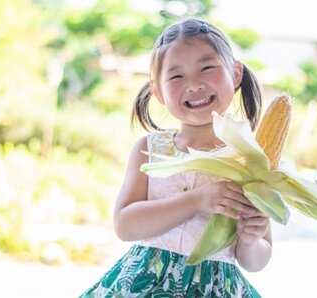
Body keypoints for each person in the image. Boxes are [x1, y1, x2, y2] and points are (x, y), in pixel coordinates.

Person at [78, 18, 271, 297]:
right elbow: (125, 225)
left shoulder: (250, 159)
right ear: (157, 91)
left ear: (236, 73)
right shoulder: (149, 148)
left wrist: (251, 240)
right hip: (144, 284)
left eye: (207, 68)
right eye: (176, 76)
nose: (194, 84)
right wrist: (197, 200)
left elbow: (257, 260)